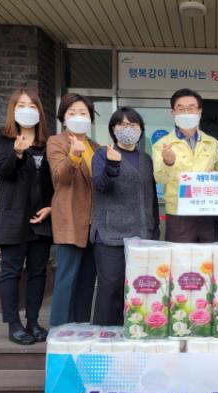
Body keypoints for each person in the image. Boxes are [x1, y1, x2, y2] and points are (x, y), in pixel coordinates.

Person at [0, 89, 53, 345]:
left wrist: (51, 207)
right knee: (11, 271)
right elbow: (3, 172)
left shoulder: (48, 143)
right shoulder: (2, 140)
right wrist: (16, 153)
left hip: (41, 219)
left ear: (39, 111)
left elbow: (55, 183)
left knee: (38, 272)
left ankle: (33, 322)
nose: (27, 110)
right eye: (22, 105)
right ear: (13, 110)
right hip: (13, 218)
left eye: (32, 106)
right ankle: (13, 324)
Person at [90, 107, 160, 326]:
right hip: (110, 234)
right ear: (113, 129)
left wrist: (154, 230)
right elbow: (101, 186)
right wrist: (112, 164)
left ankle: (132, 331)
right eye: (122, 124)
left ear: (141, 129)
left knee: (138, 288)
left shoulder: (146, 159)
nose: (127, 128)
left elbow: (150, 196)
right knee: (110, 287)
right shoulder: (102, 154)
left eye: (133, 124)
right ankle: (105, 333)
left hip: (141, 235)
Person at [47, 93, 99, 326]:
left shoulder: (96, 147)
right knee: (67, 278)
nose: (78, 117)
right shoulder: (57, 142)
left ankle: (81, 327)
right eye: (72, 112)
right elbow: (61, 178)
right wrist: (74, 155)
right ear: (63, 117)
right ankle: (59, 329)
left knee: (87, 280)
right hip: (70, 218)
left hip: (94, 223)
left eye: (83, 113)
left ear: (90, 117)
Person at [152, 88, 218, 243]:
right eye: (181, 109)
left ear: (200, 112)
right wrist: (168, 162)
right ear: (173, 113)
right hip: (179, 214)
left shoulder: (212, 143)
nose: (186, 112)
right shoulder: (162, 144)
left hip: (207, 211)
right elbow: (160, 178)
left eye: (191, 108)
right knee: (180, 257)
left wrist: (216, 176)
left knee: (209, 256)